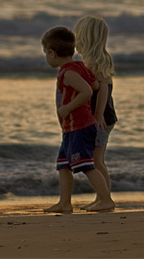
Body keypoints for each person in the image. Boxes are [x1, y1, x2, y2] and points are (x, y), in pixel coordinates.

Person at [41, 26, 115, 213]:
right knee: (63, 165)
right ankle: (65, 203)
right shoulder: (79, 67)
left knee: (86, 165)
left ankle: (105, 199)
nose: (46, 58)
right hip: (71, 128)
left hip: (79, 127)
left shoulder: (68, 72)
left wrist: (67, 107)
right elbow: (97, 84)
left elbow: (88, 91)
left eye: (45, 53)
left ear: (52, 53)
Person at [74, 15, 118, 208]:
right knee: (98, 159)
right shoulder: (101, 58)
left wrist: (98, 114)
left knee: (95, 160)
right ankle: (101, 197)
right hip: (106, 117)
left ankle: (105, 199)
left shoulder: (92, 62)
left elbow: (103, 89)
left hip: (101, 118)